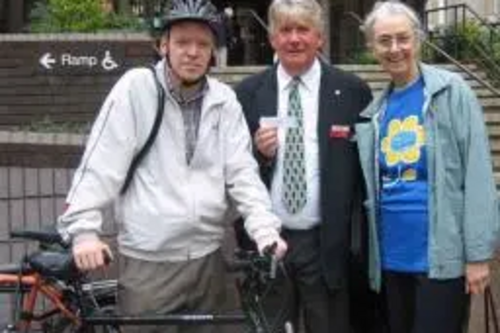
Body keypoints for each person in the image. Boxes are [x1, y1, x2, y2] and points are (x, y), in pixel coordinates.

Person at [57, 0, 287, 332]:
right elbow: (100, 164)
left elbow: (242, 174)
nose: (192, 52)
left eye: (203, 44)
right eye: (182, 42)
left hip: (210, 260)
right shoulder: (137, 89)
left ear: (214, 52)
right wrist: (83, 232)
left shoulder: (224, 101)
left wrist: (265, 230)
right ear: (163, 45)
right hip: (150, 264)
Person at [356, 2, 499, 333]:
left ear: (418, 39)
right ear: (372, 47)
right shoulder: (375, 111)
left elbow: (478, 176)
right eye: (384, 40)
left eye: (403, 38)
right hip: (391, 259)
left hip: (441, 259)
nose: (395, 49)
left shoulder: (452, 92)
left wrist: (478, 255)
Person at [234, 0, 374, 332]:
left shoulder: (352, 92)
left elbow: (364, 174)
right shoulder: (247, 94)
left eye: (303, 30)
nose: (294, 39)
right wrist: (259, 155)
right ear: (272, 38)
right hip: (267, 243)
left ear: (319, 37)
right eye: (285, 30)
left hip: (326, 244)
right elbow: (232, 166)